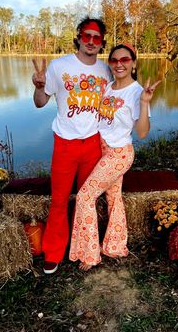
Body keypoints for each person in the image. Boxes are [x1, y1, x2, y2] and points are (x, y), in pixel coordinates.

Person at [69, 43, 161, 270]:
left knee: (84, 197)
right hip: (101, 149)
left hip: (119, 153)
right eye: (114, 60)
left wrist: (144, 103)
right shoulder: (108, 87)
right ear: (110, 63)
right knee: (113, 199)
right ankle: (115, 245)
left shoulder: (138, 92)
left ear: (133, 63)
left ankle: (89, 254)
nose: (119, 64)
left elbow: (141, 132)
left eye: (125, 60)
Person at [32, 17, 112, 274]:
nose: (91, 41)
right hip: (65, 144)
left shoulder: (106, 71)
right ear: (78, 37)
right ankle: (53, 252)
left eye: (96, 37)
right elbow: (40, 102)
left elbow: (118, 101)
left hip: (93, 145)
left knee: (87, 200)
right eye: (86, 36)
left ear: (101, 43)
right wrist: (40, 86)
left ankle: (86, 248)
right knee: (58, 201)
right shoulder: (59, 66)